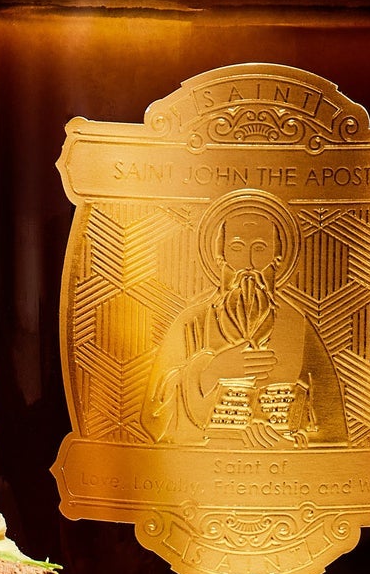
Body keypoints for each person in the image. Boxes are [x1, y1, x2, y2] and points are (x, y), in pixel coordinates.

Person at [144, 188, 347, 447]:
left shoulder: (298, 325)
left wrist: (292, 445)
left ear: (277, 255)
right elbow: (153, 415)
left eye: (260, 248)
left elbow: (332, 426)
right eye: (237, 247)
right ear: (220, 255)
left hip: (286, 475)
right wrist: (213, 371)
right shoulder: (191, 322)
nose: (249, 263)